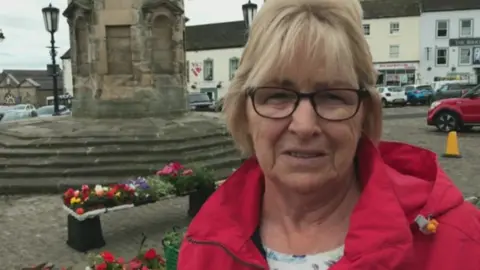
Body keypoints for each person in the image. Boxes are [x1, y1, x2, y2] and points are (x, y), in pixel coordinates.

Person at [178, 0, 480, 269]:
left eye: (333, 96)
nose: (304, 125)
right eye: (278, 95)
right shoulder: (205, 246)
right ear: (243, 111)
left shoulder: (457, 241)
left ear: (365, 112)